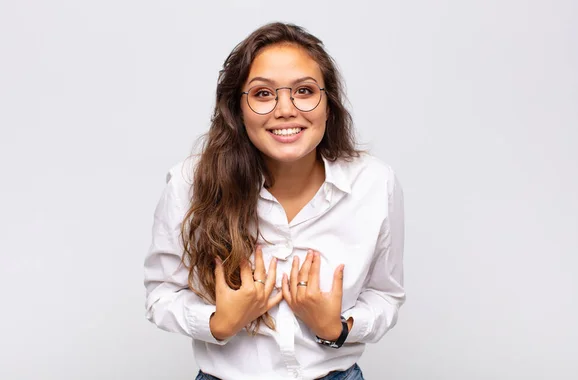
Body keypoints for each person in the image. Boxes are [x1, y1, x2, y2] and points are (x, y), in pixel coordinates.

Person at [143, 22, 405, 380]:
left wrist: (338, 328)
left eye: (304, 90)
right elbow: (161, 294)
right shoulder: (190, 183)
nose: (285, 109)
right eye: (263, 94)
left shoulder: (375, 183)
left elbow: (385, 295)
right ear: (238, 109)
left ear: (328, 105)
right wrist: (219, 323)